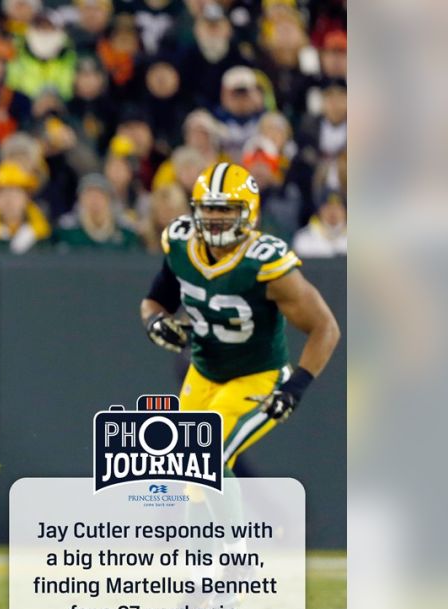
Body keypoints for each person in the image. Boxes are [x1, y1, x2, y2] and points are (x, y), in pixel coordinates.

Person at [140, 161, 340, 472]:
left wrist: (295, 388)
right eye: (209, 209)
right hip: (203, 372)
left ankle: (228, 524)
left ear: (249, 213)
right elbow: (155, 301)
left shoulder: (263, 264)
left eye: (226, 210)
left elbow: (325, 327)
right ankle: (204, 523)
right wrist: (154, 322)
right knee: (187, 472)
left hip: (256, 377)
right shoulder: (181, 244)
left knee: (206, 457)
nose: (215, 219)